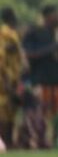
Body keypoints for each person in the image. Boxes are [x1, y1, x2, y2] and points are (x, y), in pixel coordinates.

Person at [23, 5, 58, 122]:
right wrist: (51, 49)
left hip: (57, 80)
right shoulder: (35, 32)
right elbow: (29, 53)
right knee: (42, 115)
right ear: (47, 16)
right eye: (55, 15)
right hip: (41, 81)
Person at [0, 8, 25, 147]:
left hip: (13, 79)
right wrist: (7, 83)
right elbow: (2, 58)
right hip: (5, 80)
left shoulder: (12, 33)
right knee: (4, 114)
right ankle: (4, 143)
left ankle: (9, 143)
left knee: (11, 113)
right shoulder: (5, 33)